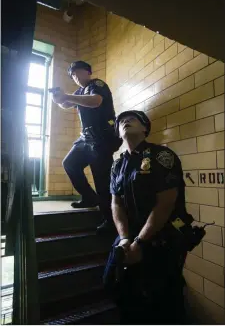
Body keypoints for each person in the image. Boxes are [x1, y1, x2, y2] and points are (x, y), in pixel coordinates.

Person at [104, 110, 194, 324]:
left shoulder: (161, 156)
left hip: (162, 235)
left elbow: (165, 204)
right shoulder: (117, 164)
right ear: (118, 133)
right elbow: (116, 203)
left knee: (162, 296)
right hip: (131, 234)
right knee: (113, 283)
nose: (125, 121)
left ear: (145, 129)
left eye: (132, 119)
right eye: (121, 121)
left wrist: (140, 243)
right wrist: (125, 238)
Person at [52, 61, 121, 232]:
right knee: (70, 164)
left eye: (78, 72)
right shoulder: (79, 91)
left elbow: (95, 101)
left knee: (102, 180)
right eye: (72, 74)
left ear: (88, 71)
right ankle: (90, 197)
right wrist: (59, 98)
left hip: (102, 139)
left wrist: (67, 96)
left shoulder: (97, 85)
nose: (75, 76)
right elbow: (66, 104)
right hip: (85, 138)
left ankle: (111, 221)